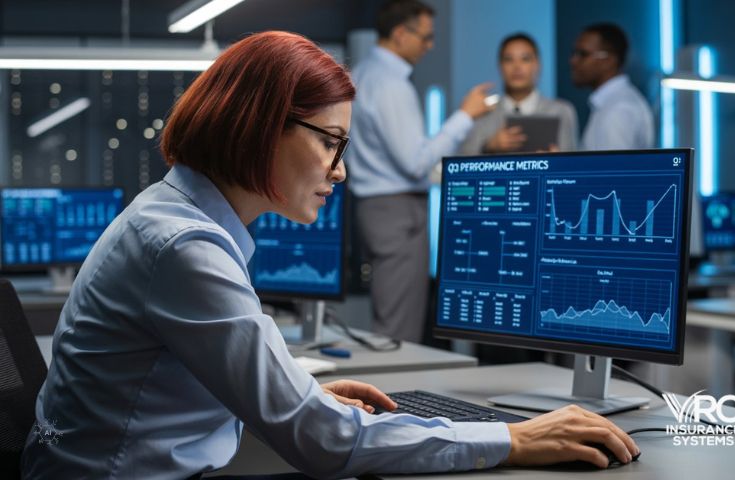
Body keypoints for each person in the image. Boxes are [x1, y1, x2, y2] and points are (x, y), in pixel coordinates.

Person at [21, 31, 638, 479]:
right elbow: (323, 444)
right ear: (263, 127)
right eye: (331, 143)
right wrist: (510, 437)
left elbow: (187, 383)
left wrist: (293, 389)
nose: (339, 172)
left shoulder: (171, 216)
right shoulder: (185, 247)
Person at [347, 0, 493, 343]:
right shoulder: (391, 84)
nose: (430, 46)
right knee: (398, 332)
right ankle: (397, 398)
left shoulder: (364, 73)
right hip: (397, 211)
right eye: (425, 38)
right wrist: (465, 116)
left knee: (390, 318)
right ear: (400, 34)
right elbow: (415, 161)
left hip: (376, 208)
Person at [461, 33, 578, 155]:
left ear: (537, 65)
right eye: (508, 59)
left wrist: (556, 161)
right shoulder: (482, 112)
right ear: (500, 66)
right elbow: (460, 163)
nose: (517, 66)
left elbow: (574, 165)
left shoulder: (561, 111)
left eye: (525, 59)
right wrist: (489, 147)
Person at [570, 23, 654, 150]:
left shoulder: (618, 109)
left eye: (583, 54)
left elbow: (612, 169)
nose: (573, 61)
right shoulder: (613, 103)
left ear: (608, 60)